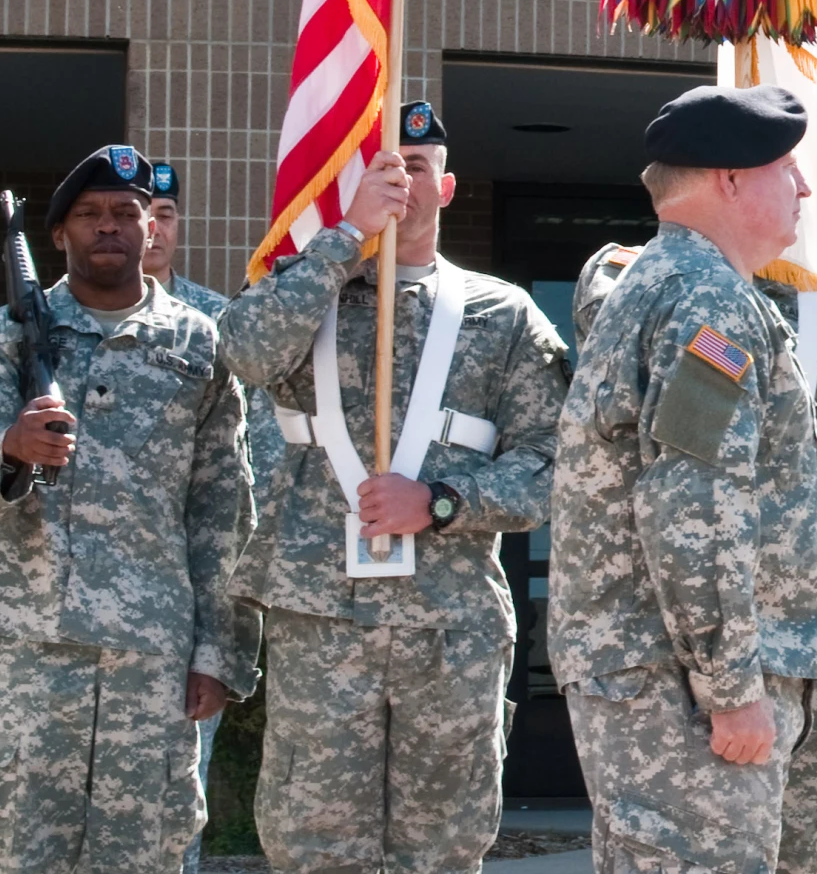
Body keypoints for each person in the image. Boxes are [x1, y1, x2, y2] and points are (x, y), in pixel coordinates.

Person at [216, 102, 568, 873]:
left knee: (443, 849)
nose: (401, 181)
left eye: (416, 166)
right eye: (383, 166)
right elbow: (241, 351)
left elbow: (555, 465)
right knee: (313, 848)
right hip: (322, 615)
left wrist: (442, 502)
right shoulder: (308, 290)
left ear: (446, 188)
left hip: (451, 624)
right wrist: (342, 240)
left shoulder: (501, 313)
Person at [0, 145, 255, 874]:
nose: (108, 226)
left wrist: (219, 652)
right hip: (29, 646)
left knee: (145, 853)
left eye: (125, 213)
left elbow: (222, 508)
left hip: (152, 653)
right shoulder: (9, 334)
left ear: (153, 229)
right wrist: (12, 449)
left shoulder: (199, 345)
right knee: (23, 851)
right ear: (58, 236)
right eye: (89, 215)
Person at [548, 85, 817, 874]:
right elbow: (694, 503)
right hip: (681, 688)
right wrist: (730, 685)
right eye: (787, 167)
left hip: (653, 671)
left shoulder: (666, 285)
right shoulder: (705, 300)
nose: (806, 188)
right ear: (731, 180)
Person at [574, 244, 817, 874]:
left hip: (799, 642)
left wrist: (798, 529)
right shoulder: (639, 278)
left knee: (798, 855)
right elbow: (677, 462)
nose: (803, 187)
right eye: (786, 168)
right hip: (673, 642)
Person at [144, 160, 283, 874]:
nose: (152, 228)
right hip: (86, 604)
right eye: (142, 213)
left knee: (178, 787)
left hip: (196, 591)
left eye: (166, 216)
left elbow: (246, 456)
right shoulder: (44, 320)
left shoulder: (213, 324)